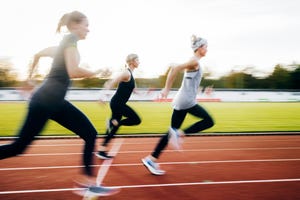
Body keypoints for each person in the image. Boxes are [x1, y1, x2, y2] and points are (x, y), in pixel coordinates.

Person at [0, 11, 118, 196]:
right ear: (75, 25)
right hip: (45, 100)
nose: (89, 29)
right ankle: (88, 183)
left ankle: (88, 183)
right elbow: (73, 71)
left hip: (55, 102)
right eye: (86, 24)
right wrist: (96, 71)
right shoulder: (70, 39)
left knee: (90, 133)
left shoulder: (65, 45)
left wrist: (30, 78)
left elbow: (38, 54)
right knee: (19, 147)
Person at [142, 35, 215, 175]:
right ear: (199, 48)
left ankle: (151, 159)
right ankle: (179, 133)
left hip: (182, 100)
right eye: (205, 46)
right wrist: (166, 89)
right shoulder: (194, 61)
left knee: (171, 131)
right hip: (187, 101)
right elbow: (174, 68)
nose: (207, 48)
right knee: (209, 121)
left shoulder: (195, 61)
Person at [96, 54, 141, 159]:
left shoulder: (132, 75)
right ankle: (113, 122)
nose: (139, 62)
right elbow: (111, 82)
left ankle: (101, 150)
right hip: (117, 104)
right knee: (136, 119)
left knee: (114, 128)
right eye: (137, 60)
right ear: (131, 61)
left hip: (119, 104)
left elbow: (134, 91)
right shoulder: (126, 73)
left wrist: (145, 94)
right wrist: (102, 95)